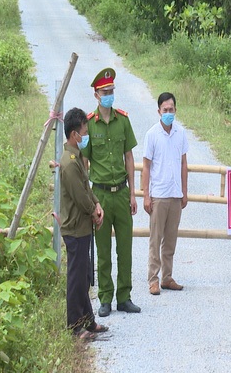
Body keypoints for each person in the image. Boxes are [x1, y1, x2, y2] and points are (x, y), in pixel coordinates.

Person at [81, 68, 141, 317]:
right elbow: (84, 164)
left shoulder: (123, 120)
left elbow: (129, 156)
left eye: (112, 91)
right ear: (96, 95)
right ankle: (105, 298)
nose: (110, 96)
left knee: (125, 248)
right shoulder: (89, 124)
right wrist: (90, 201)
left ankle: (124, 297)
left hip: (121, 192)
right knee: (103, 250)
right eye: (105, 92)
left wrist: (133, 193)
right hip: (101, 195)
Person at [59, 107, 108, 340]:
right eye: (84, 131)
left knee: (84, 276)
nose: (86, 135)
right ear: (73, 134)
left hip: (83, 227)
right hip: (75, 228)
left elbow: (87, 187)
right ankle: (75, 327)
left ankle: (88, 322)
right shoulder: (68, 163)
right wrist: (94, 211)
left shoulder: (77, 156)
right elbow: (79, 196)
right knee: (76, 279)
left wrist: (96, 203)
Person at [142, 92, 189, 295]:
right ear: (159, 111)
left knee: (170, 240)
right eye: (165, 110)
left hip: (175, 195)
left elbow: (184, 163)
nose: (168, 113)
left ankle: (167, 277)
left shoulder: (181, 133)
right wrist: (146, 195)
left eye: (171, 110)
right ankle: (153, 279)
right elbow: (146, 166)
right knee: (156, 239)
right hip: (159, 195)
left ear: (175, 110)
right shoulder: (152, 134)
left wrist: (184, 192)